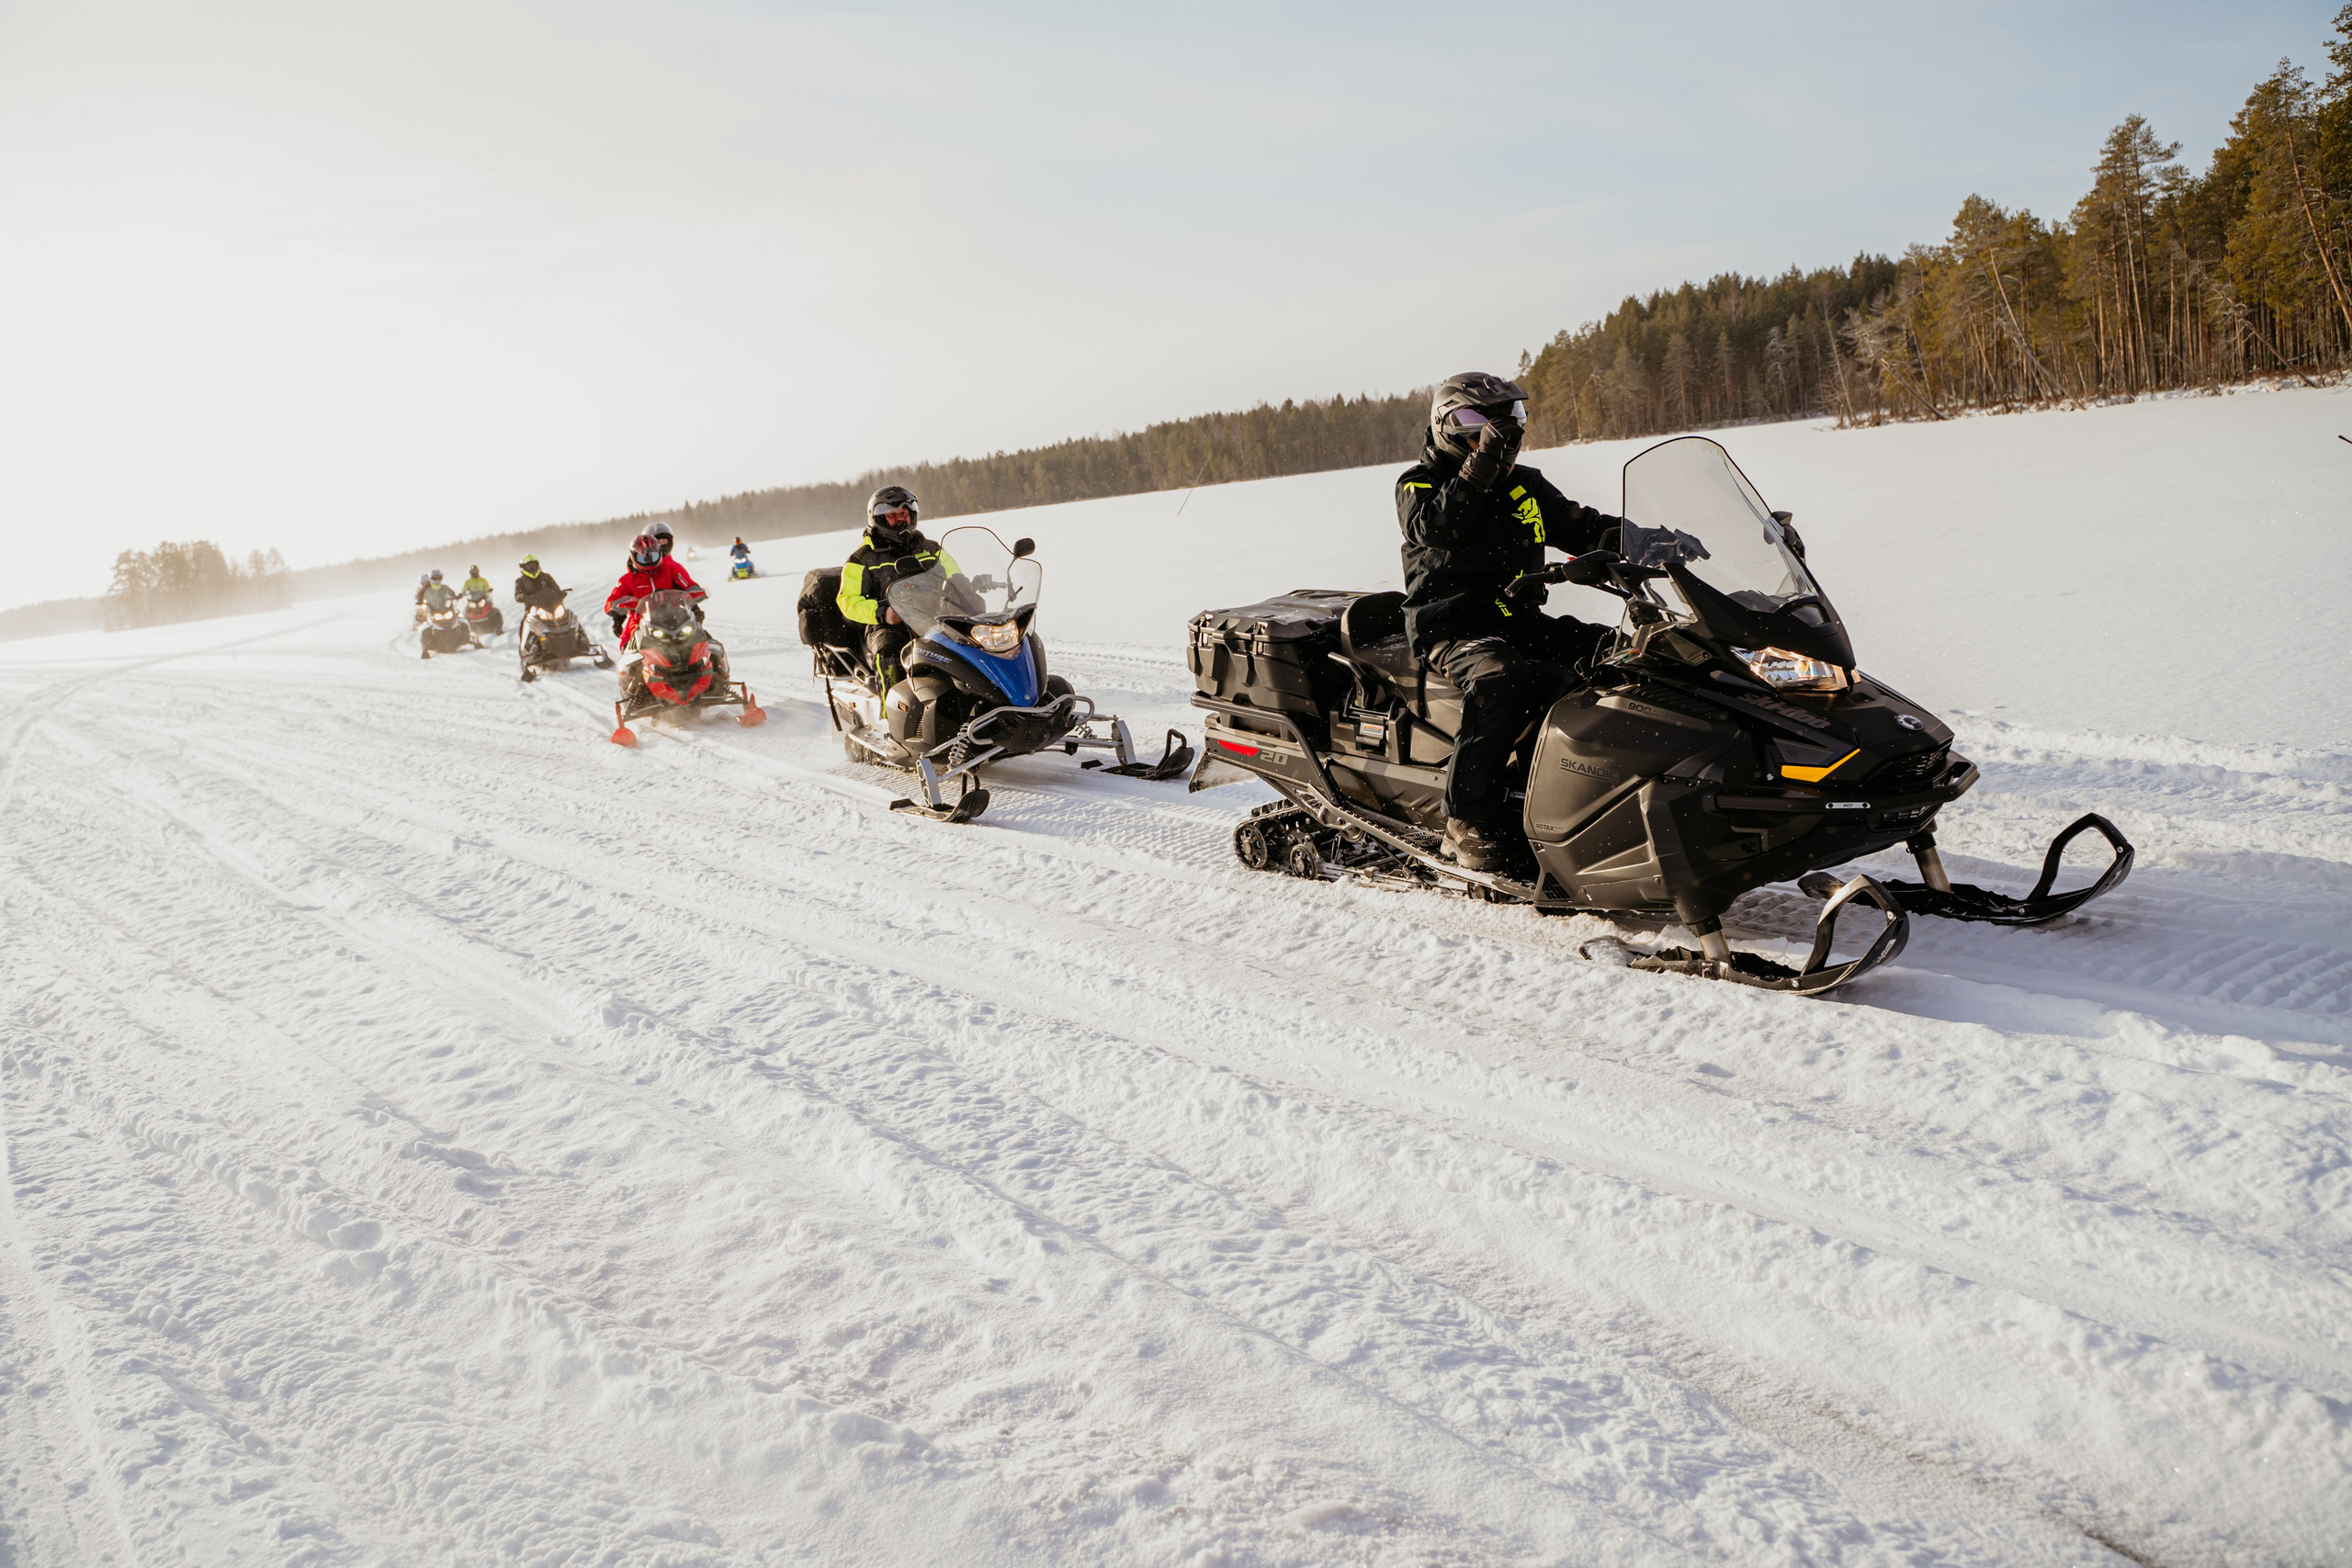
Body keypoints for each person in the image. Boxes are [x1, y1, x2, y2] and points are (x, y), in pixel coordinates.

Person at [1396, 371, 1624, 871]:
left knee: (1620, 652)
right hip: (1452, 625)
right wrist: (1479, 470)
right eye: (1482, 420)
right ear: (1448, 426)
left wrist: (1651, 539)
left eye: (1511, 418)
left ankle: (1595, 793)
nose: (1501, 432)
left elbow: (1583, 524)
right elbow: (1435, 528)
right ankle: (1464, 819)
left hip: (1517, 616)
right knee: (1502, 680)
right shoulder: (1420, 483)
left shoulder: (1525, 485)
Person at [836, 485, 942, 693]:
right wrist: (883, 613)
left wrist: (970, 589)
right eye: (892, 515)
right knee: (890, 652)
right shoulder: (861, 559)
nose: (900, 519)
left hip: (933, 617)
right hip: (886, 625)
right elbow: (847, 601)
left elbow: (956, 578)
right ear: (879, 518)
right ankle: (892, 714)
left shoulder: (930, 548)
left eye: (904, 513)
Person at [604, 532, 705, 646]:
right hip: (641, 620)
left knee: (703, 640)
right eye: (643, 558)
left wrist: (694, 601)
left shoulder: (671, 569)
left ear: (660, 554)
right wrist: (620, 611)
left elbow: (691, 586)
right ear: (634, 557)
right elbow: (611, 603)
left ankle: (716, 661)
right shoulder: (627, 580)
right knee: (627, 644)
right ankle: (634, 663)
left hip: (676, 616)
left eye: (653, 556)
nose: (649, 561)